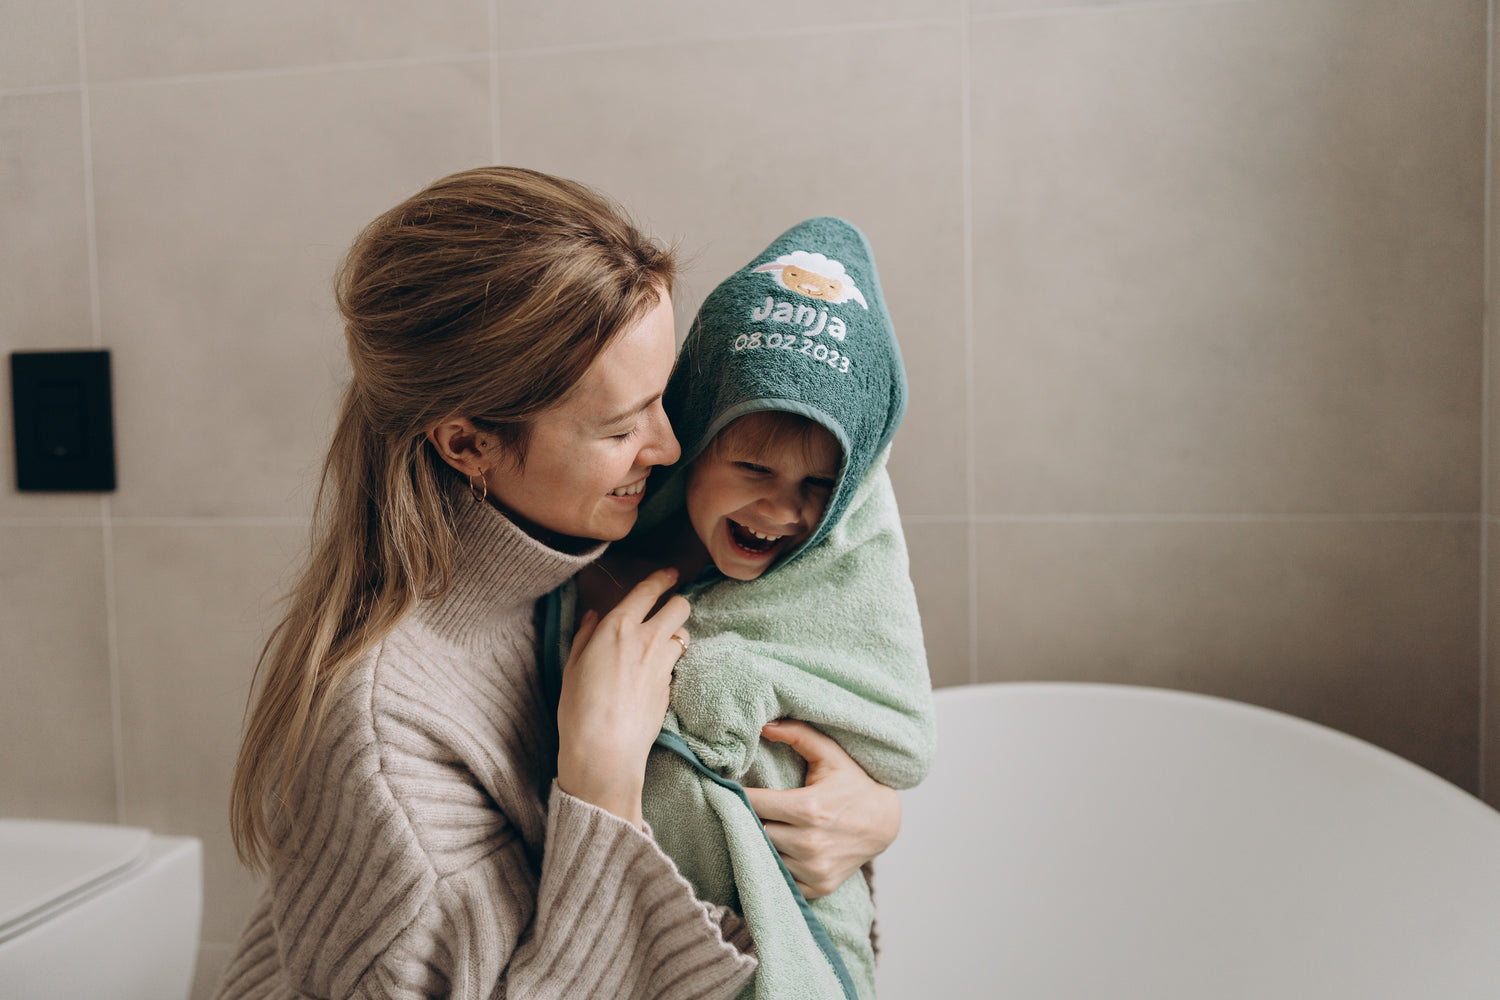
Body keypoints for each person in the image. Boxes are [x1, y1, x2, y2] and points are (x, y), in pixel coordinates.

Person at [213, 169, 900, 1000]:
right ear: (467, 444)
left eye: (664, 399)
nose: (670, 448)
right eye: (621, 428)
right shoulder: (388, 744)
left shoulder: (602, 556)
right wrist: (600, 791)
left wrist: (867, 815)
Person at [551, 217, 935, 999]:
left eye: (818, 486)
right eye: (753, 467)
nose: (782, 510)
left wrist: (879, 812)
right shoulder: (584, 562)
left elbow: (891, 730)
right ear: (695, 437)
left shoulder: (825, 583)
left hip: (780, 927)